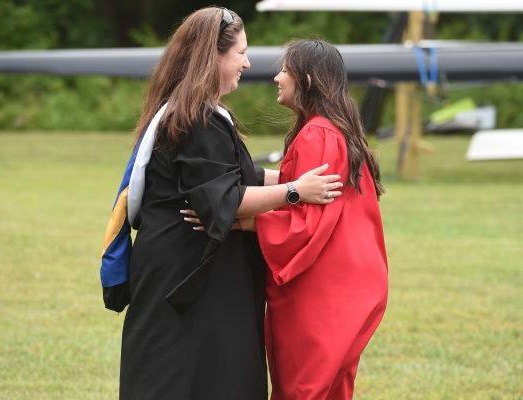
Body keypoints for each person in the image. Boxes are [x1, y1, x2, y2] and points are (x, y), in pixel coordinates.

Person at [114, 9, 343, 400]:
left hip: (179, 265)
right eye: (240, 52)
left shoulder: (185, 110)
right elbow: (224, 198)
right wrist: (294, 192)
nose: (248, 63)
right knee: (195, 378)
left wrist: (300, 176)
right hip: (188, 273)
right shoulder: (198, 118)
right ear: (213, 56)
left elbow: (233, 174)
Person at [238, 39, 388, 399]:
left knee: (304, 390)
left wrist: (240, 221)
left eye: (284, 70)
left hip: (323, 292)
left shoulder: (318, 135)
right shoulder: (335, 131)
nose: (276, 77)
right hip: (349, 285)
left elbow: (307, 225)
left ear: (305, 79)